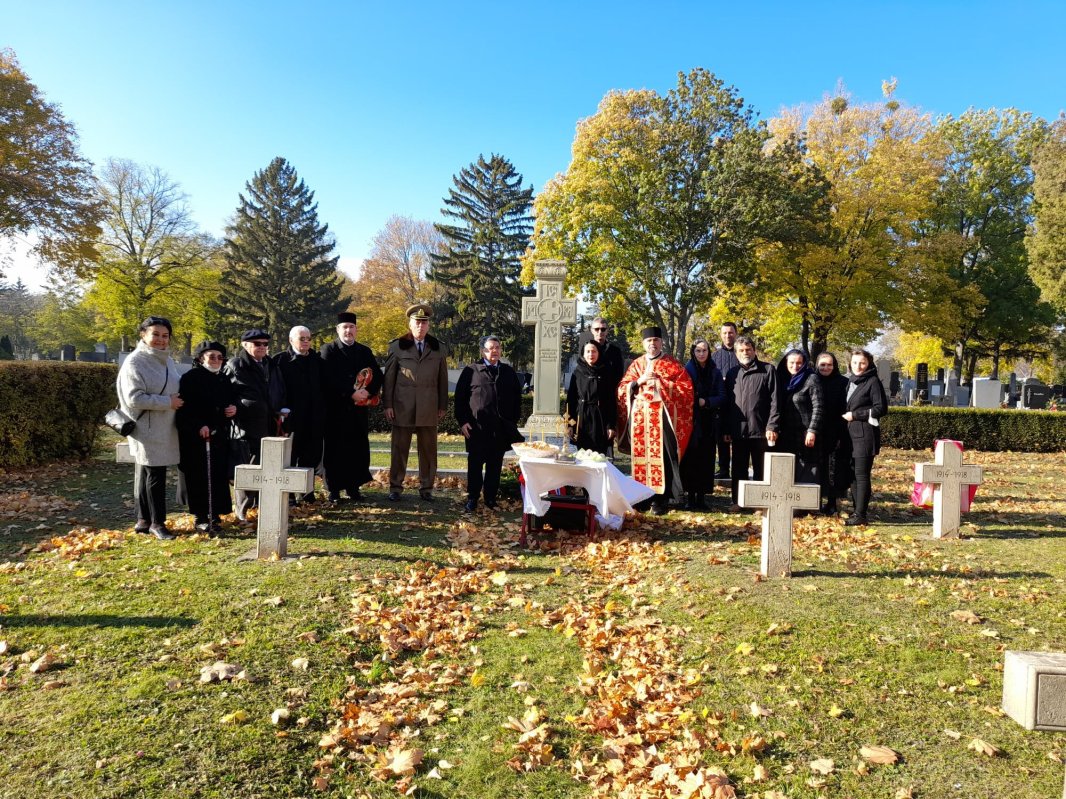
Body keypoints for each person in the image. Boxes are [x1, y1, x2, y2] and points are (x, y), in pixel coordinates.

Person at [116, 316, 184, 540]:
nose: (161, 340)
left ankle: (143, 520)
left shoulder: (167, 360)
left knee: (148, 473)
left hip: (164, 426)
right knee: (156, 474)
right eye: (155, 334)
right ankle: (158, 523)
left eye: (165, 336)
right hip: (147, 428)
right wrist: (168, 403)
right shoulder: (136, 362)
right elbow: (134, 398)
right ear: (143, 335)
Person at [617, 326, 694, 515]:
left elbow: (686, 389)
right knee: (642, 458)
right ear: (644, 344)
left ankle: (661, 500)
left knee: (663, 458)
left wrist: (662, 384)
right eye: (649, 341)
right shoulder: (636, 364)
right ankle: (642, 498)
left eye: (656, 341)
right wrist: (639, 382)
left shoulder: (672, 364)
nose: (652, 344)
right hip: (641, 419)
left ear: (661, 343)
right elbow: (622, 388)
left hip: (662, 418)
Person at [382, 303, 449, 502]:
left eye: (424, 323)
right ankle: (395, 487)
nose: (420, 326)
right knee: (399, 449)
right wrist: (388, 405)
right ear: (410, 324)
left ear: (428, 326)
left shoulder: (438, 348)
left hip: (429, 407)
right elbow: (389, 379)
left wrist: (443, 405)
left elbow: (442, 380)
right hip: (403, 406)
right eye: (417, 322)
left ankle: (427, 488)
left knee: (428, 452)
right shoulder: (397, 346)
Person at [454, 335, 524, 513]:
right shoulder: (471, 370)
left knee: (495, 465)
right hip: (477, 428)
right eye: (490, 348)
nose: (494, 351)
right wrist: (463, 422)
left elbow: (517, 399)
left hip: (499, 429)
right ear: (483, 351)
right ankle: (472, 498)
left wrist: (512, 421)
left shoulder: (508, 371)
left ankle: (491, 498)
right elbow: (460, 400)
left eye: (497, 347)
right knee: (475, 465)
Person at [321, 312, 383, 502]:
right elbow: (327, 378)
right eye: (345, 327)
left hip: (358, 410)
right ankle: (333, 490)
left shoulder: (364, 351)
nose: (348, 330)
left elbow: (378, 375)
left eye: (351, 327)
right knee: (334, 451)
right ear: (338, 329)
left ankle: (353, 488)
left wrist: (368, 392)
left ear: (356, 330)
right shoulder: (328, 350)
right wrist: (350, 393)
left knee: (356, 450)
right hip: (336, 410)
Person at [176, 341, 237, 533]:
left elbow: (231, 401)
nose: (217, 360)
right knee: (199, 476)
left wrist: (233, 409)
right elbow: (184, 408)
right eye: (212, 356)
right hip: (196, 437)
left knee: (217, 475)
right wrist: (198, 425)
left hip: (219, 435)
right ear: (201, 358)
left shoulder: (224, 379)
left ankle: (216, 514)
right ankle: (200, 516)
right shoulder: (190, 378)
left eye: (220, 357)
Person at [226, 329, 287, 518]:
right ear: (245, 345)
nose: (262, 347)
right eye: (257, 344)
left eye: (265, 344)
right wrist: (236, 407)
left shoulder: (271, 364)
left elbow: (278, 389)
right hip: (246, 425)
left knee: (266, 466)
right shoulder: (236, 365)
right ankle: (242, 509)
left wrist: (281, 409)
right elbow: (226, 392)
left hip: (269, 422)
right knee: (247, 468)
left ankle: (261, 506)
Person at [723, 336, 779, 512]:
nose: (745, 353)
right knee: (738, 468)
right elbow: (727, 404)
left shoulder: (768, 370)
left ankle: (759, 503)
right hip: (738, 430)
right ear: (736, 353)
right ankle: (738, 501)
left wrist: (772, 426)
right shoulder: (732, 373)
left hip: (761, 429)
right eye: (741, 350)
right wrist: (726, 428)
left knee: (760, 468)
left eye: (748, 349)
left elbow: (775, 401)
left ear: (754, 350)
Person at [274, 325, 326, 503]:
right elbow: (275, 389)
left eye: (308, 338)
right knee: (290, 456)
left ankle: (307, 492)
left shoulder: (317, 360)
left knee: (311, 455)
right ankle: (288, 494)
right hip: (291, 418)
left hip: (314, 417)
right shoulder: (280, 361)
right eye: (301, 338)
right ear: (291, 340)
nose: (306, 342)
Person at [843, 348, 888, 526]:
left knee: (861, 475)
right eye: (855, 362)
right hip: (849, 435)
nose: (858, 366)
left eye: (862, 363)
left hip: (864, 435)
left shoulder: (872, 381)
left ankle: (861, 515)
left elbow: (881, 408)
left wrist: (856, 415)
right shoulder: (850, 381)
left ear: (868, 363)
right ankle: (856, 511)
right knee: (853, 475)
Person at [681, 338, 725, 510]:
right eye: (698, 350)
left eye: (704, 350)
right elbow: (682, 393)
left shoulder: (714, 371)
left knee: (706, 459)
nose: (701, 354)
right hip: (691, 421)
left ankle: (701, 498)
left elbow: (722, 396)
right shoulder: (687, 369)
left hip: (709, 422)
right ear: (693, 352)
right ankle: (690, 498)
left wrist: (706, 402)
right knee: (691, 459)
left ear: (709, 352)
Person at [776, 349, 822, 486]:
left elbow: (818, 407)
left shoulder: (811, 378)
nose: (795, 366)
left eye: (799, 363)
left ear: (804, 363)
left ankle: (807, 505)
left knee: (807, 469)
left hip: (804, 433)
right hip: (785, 432)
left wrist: (812, 430)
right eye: (792, 362)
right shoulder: (782, 378)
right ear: (786, 363)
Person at [815, 352, 851, 516]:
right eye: (822, 364)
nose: (826, 367)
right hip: (816, 430)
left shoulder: (844, 382)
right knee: (817, 467)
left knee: (833, 468)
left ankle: (832, 502)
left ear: (835, 365)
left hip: (837, 431)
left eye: (829, 364)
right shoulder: (812, 381)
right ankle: (815, 501)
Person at [565, 340, 617, 455]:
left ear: (599, 353)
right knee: (582, 454)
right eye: (587, 351)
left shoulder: (606, 372)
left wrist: (611, 425)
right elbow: (571, 400)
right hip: (582, 418)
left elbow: (611, 400)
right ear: (583, 354)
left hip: (600, 418)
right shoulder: (577, 373)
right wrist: (569, 424)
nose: (590, 354)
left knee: (599, 455)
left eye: (593, 351)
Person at [711, 322, 740, 480]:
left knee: (738, 439)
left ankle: (738, 468)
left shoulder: (742, 353)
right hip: (721, 405)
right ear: (721, 335)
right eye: (725, 333)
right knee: (721, 438)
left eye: (731, 332)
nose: (728, 335)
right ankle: (723, 468)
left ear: (736, 333)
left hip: (739, 403)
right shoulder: (714, 357)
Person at [576, 316, 625, 401]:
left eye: (603, 329)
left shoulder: (615, 351)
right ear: (592, 330)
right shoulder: (585, 350)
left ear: (607, 331)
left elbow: (619, 376)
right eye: (596, 329)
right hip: (589, 398)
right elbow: (581, 373)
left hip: (608, 398)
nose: (600, 332)